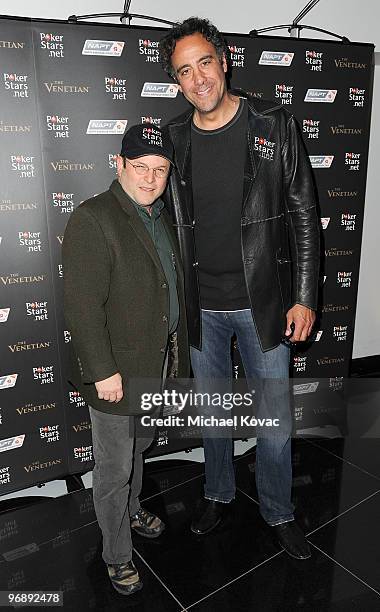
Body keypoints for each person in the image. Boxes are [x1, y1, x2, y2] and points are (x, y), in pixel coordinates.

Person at [159, 17, 320, 559]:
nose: (198, 78)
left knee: (273, 423)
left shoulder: (272, 124)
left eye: (204, 61)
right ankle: (218, 493)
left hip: (264, 303)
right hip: (202, 307)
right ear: (177, 82)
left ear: (224, 59)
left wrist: (304, 295)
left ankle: (278, 511)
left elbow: (302, 211)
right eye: (184, 70)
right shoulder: (173, 139)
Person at [62, 124, 189, 595]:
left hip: (155, 362)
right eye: (140, 167)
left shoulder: (160, 216)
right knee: (114, 469)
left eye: (160, 169)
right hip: (115, 372)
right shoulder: (93, 217)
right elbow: (81, 306)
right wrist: (102, 373)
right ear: (119, 164)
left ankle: (133, 511)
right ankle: (116, 555)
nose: (150, 178)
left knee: (138, 448)